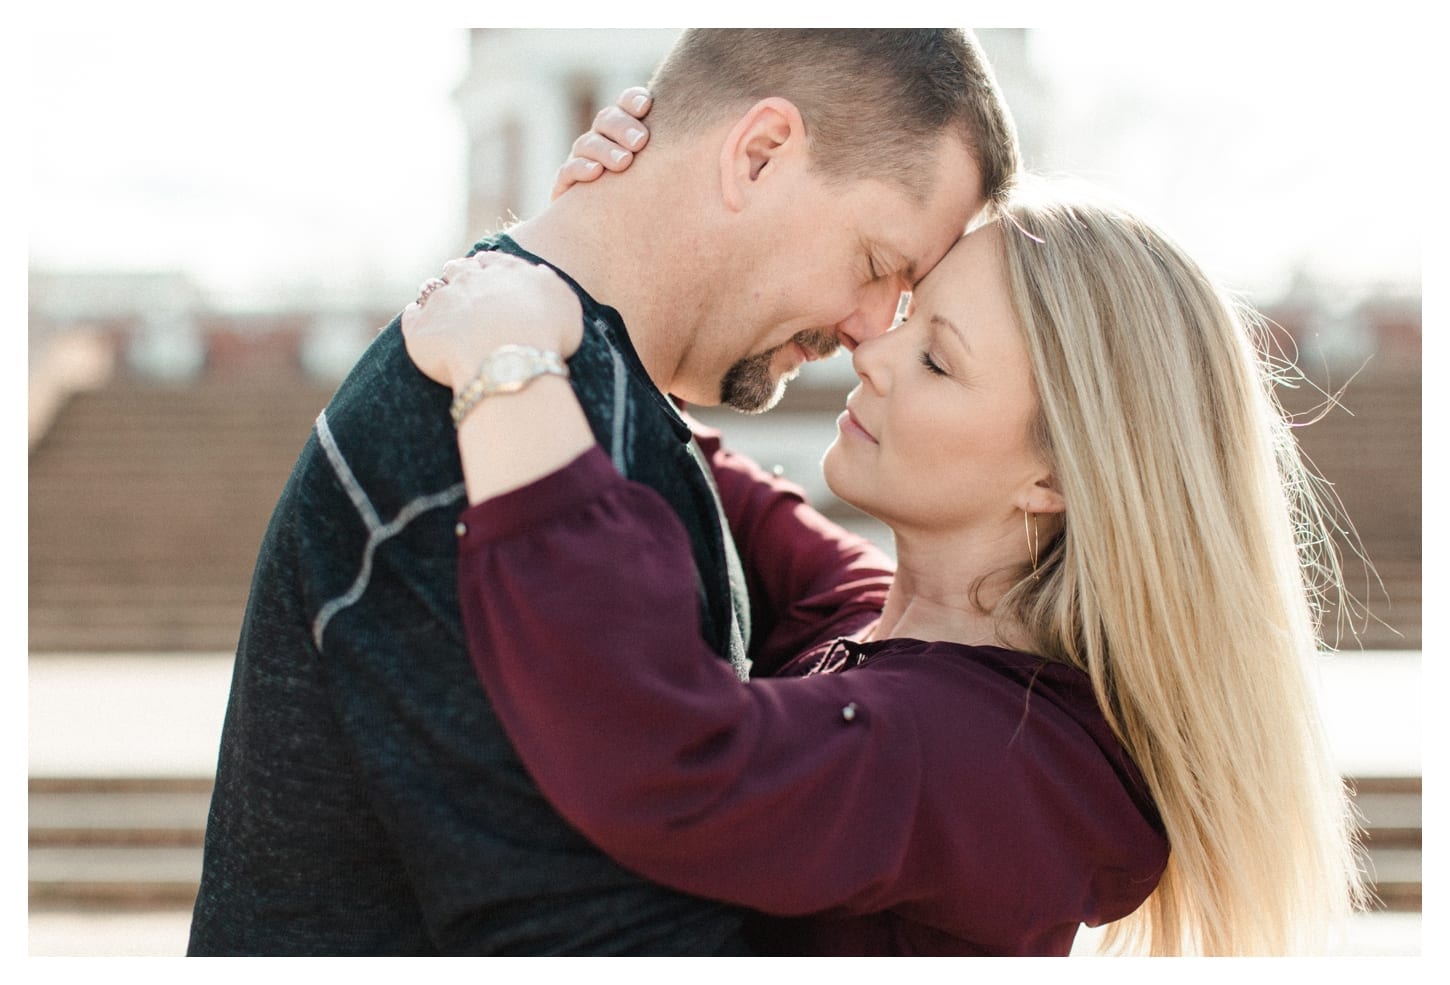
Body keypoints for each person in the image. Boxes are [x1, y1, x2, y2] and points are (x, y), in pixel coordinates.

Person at [187, 29, 1018, 955]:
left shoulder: (570, 399)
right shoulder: (492, 436)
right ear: (759, 153)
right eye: (875, 264)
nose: (871, 331)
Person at [401, 174, 1370, 954]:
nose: (874, 352)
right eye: (908, 314)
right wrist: (619, 214)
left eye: (937, 359)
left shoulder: (1003, 755)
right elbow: (709, 473)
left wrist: (505, 364)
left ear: (1057, 477)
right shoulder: (874, 614)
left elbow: (672, 759)